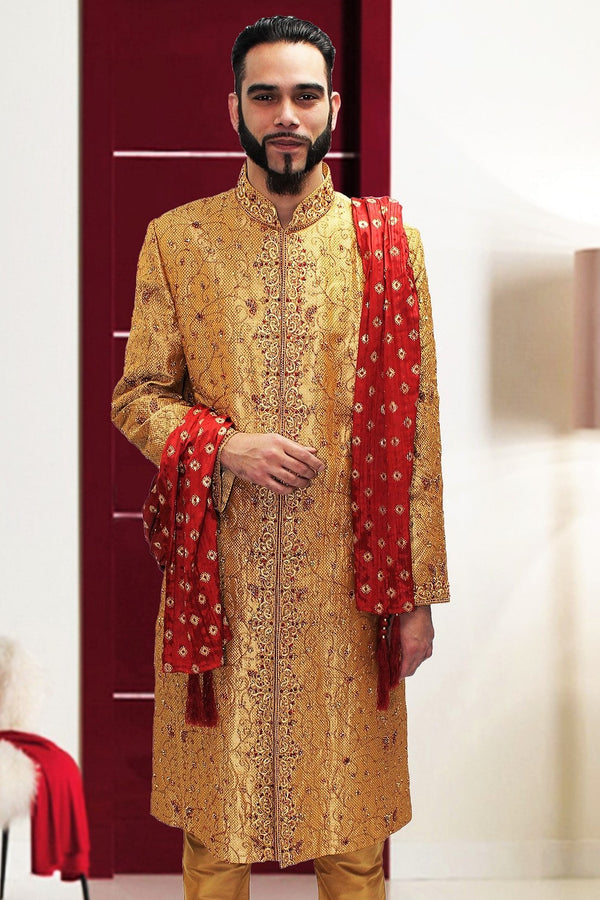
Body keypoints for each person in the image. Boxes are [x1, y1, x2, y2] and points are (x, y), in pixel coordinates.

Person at [112, 15, 449, 899]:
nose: (286, 115)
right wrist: (224, 445)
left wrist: (416, 596)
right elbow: (137, 395)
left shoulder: (388, 245)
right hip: (221, 580)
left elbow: (417, 431)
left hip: (350, 587)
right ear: (235, 109)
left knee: (354, 837)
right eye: (265, 96)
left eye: (305, 96)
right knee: (215, 837)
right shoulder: (178, 238)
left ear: (334, 107)